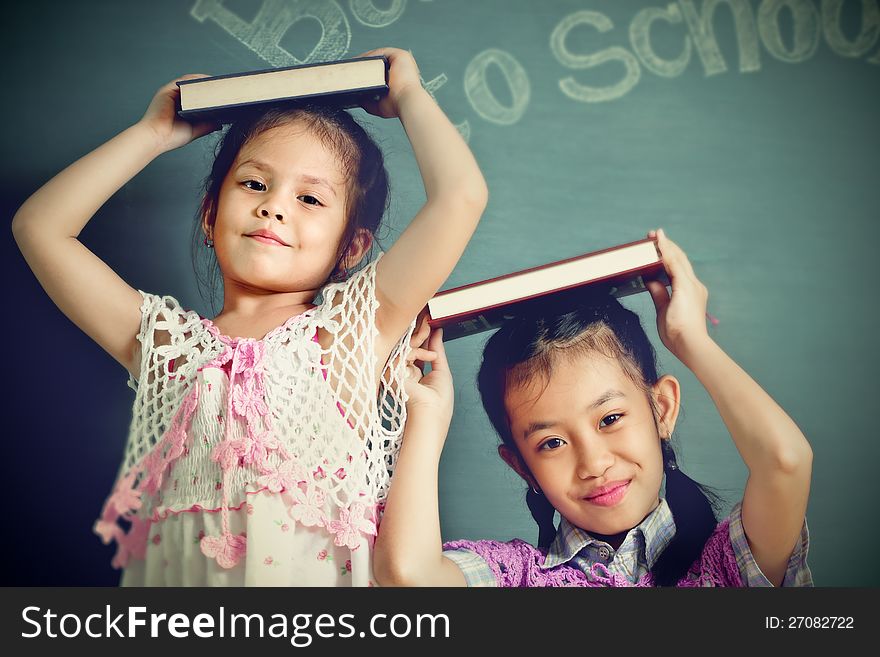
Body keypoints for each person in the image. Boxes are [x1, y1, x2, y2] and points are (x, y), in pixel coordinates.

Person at [11, 47, 488, 586]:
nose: (274, 207)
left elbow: (460, 198)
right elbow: (40, 228)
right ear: (211, 215)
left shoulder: (353, 331)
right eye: (255, 184)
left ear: (351, 247)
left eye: (310, 198)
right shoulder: (169, 347)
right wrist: (154, 134)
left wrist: (408, 96)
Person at [374, 229, 812, 587]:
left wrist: (690, 341)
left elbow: (786, 463)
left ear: (662, 408)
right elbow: (406, 576)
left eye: (610, 419)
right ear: (521, 467)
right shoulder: (517, 580)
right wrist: (425, 416)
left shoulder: (725, 568)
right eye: (551, 443)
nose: (594, 463)